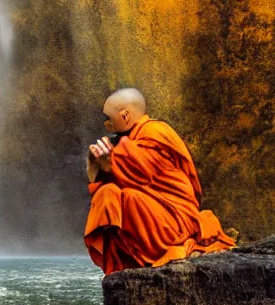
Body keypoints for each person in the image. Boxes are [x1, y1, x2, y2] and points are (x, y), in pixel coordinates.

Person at [84, 88, 235, 275]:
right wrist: (94, 167)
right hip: (157, 211)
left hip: (176, 218)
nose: (107, 127)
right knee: (108, 195)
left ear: (125, 116)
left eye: (109, 121)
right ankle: (130, 262)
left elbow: (141, 174)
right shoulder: (132, 139)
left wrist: (109, 164)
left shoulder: (155, 132)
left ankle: (148, 257)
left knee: (127, 198)